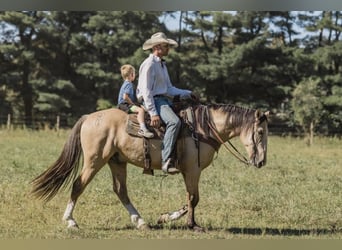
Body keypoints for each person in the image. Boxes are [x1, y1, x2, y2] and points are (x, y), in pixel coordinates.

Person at [137, 32, 197, 174]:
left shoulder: (162, 65)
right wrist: (153, 114)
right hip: (154, 100)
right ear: (157, 47)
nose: (168, 49)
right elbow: (146, 91)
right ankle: (166, 160)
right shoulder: (149, 64)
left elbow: (169, 89)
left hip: (163, 99)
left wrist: (188, 93)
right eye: (166, 46)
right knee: (174, 122)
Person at [117, 64, 154, 139]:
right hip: (125, 104)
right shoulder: (129, 84)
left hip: (123, 104)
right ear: (131, 74)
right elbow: (125, 96)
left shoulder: (125, 83)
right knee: (140, 110)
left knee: (141, 108)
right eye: (134, 73)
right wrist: (132, 103)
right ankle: (143, 129)